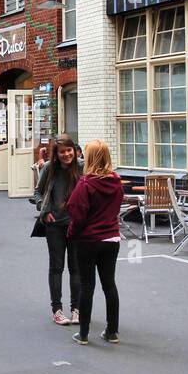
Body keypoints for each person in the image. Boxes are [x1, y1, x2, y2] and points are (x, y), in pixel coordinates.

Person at [65, 140, 123, 344]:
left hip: (88, 240)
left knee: (87, 285)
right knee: (109, 284)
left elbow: (77, 214)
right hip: (112, 237)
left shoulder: (86, 184)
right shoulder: (116, 182)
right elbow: (116, 208)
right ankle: (112, 331)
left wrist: (71, 234)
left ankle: (83, 333)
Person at [34, 134, 83, 325]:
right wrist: (44, 210)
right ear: (57, 154)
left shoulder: (81, 166)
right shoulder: (49, 168)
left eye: (69, 150)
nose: (66, 155)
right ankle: (57, 309)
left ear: (74, 150)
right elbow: (38, 191)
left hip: (76, 224)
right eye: (62, 152)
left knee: (76, 268)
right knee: (56, 267)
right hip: (55, 225)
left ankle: (77, 309)